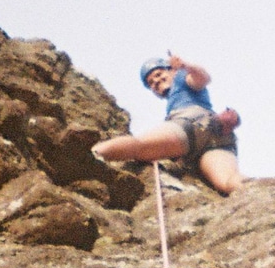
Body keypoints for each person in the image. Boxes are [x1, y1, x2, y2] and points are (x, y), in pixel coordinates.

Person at [92, 54, 242, 196]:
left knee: (139, 146)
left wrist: (185, 66)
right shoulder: (176, 93)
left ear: (171, 71)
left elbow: (203, 78)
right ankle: (261, 193)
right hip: (217, 140)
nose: (156, 81)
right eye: (151, 82)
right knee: (227, 183)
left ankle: (93, 153)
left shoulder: (181, 78)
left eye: (158, 74)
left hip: (190, 123)